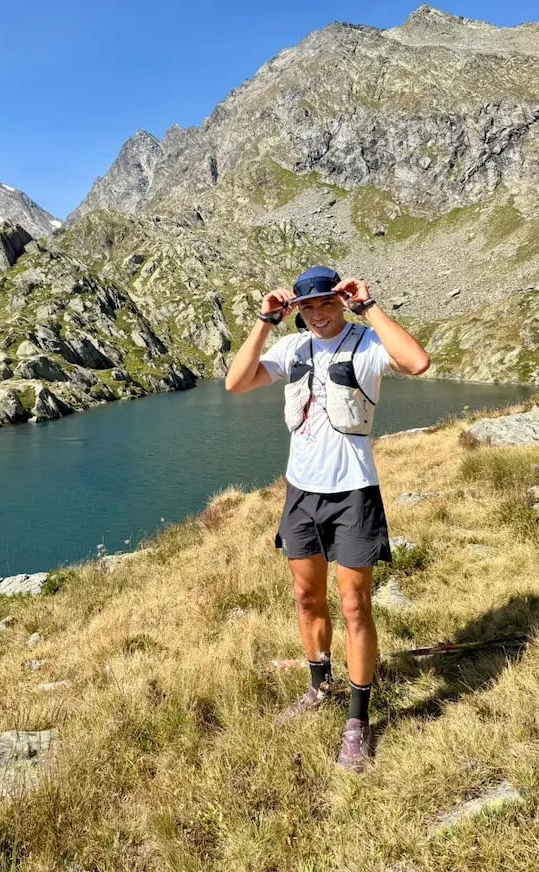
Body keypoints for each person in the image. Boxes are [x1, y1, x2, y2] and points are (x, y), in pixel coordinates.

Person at [225, 266, 431, 771]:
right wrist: (264, 321)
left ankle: (357, 721)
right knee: (306, 595)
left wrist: (369, 306)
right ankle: (320, 687)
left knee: (355, 604)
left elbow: (417, 362)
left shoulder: (366, 343)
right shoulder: (291, 350)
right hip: (301, 493)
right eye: (307, 306)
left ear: (340, 301)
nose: (318, 314)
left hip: (353, 493)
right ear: (298, 310)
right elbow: (235, 383)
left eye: (326, 303)